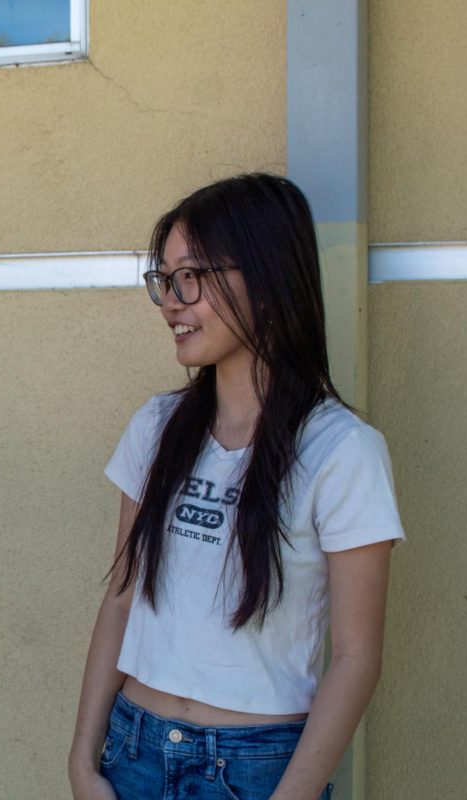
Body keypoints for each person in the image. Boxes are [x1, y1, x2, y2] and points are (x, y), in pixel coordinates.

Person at [68, 174, 404, 800]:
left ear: (269, 276)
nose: (171, 301)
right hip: (131, 750)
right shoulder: (157, 426)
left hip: (255, 770)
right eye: (164, 280)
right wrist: (83, 763)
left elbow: (357, 658)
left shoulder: (341, 450)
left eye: (191, 276)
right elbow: (121, 598)